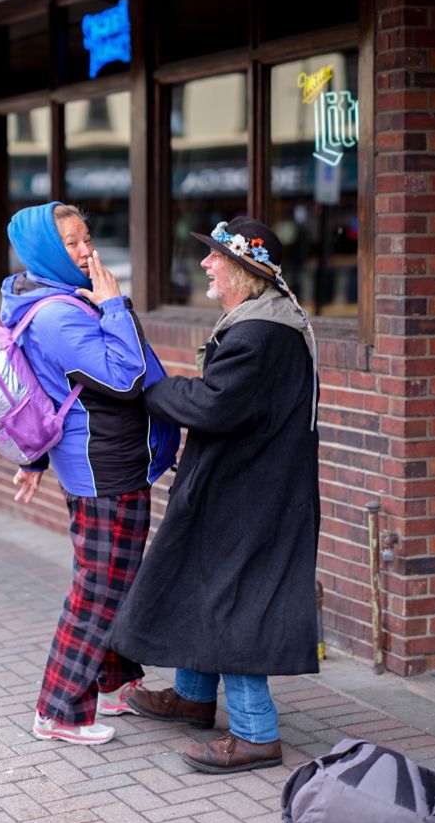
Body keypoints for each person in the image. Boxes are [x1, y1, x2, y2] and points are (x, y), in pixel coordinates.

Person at [107, 216, 321, 773]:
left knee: (235, 603)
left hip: (250, 495)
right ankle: (193, 695)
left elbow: (212, 407)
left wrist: (154, 390)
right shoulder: (262, 323)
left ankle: (256, 735)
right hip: (243, 488)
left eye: (216, 257)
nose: (205, 263)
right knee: (203, 585)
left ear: (244, 272)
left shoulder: (258, 335)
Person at [0, 202, 177, 746]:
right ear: (48, 252)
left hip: (102, 463)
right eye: (72, 244)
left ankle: (114, 682)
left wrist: (33, 460)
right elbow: (125, 379)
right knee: (97, 591)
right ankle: (58, 710)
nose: (86, 251)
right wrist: (115, 305)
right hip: (106, 469)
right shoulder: (59, 314)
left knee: (113, 582)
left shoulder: (44, 297)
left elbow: (47, 386)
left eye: (86, 238)